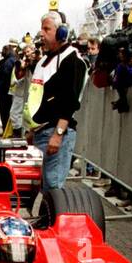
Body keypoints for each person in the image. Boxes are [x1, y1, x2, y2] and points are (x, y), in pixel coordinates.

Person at [24, 11, 87, 191]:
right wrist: (31, 130)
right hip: (40, 132)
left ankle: (54, 219)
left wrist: (58, 134)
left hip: (55, 133)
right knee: (42, 186)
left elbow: (70, 102)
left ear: (61, 33)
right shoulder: (43, 60)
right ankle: (45, 219)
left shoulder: (72, 59)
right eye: (41, 29)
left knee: (53, 188)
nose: (41, 33)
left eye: (46, 29)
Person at [0, 44, 18, 135]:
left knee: (4, 112)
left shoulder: (7, 62)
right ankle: (9, 131)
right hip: (11, 91)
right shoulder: (13, 60)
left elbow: (3, 77)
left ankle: (6, 132)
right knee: (11, 112)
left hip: (5, 92)